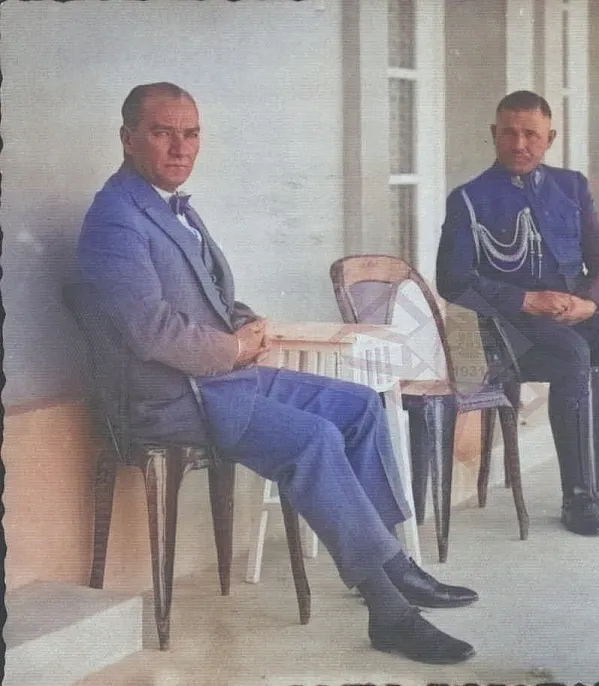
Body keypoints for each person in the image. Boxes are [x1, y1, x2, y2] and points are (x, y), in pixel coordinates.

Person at [75, 82, 477, 665]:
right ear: (127, 138)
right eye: (163, 133)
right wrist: (235, 348)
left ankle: (393, 565)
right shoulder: (115, 220)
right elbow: (150, 331)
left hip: (217, 380)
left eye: (190, 134)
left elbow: (205, 297)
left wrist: (246, 321)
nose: (180, 148)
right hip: (171, 398)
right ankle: (389, 612)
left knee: (359, 406)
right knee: (312, 439)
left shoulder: (169, 205)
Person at [436, 90, 599, 537]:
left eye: (531, 134)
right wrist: (526, 300)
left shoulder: (571, 186)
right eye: (509, 133)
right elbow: (453, 280)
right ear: (493, 134)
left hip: (579, 310)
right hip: (513, 329)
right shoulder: (468, 199)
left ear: (550, 138)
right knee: (571, 356)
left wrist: (590, 302)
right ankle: (579, 498)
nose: (519, 144)